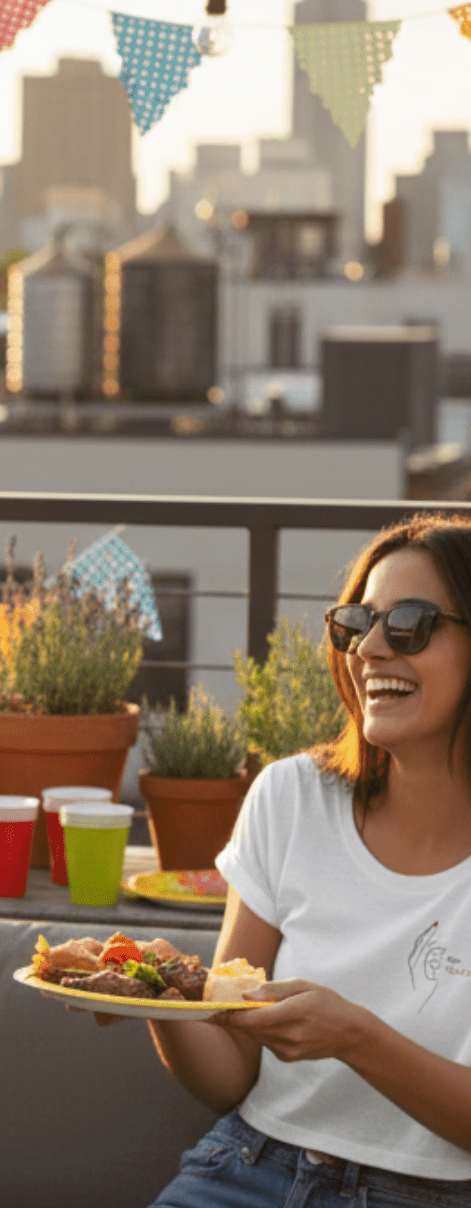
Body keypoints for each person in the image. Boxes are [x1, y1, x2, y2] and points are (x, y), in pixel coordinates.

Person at [144, 511, 471, 1205]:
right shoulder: (291, 797)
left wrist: (354, 1037)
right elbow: (231, 1072)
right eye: (356, 623)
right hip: (246, 1166)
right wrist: (160, 998)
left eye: (408, 623)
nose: (371, 649)